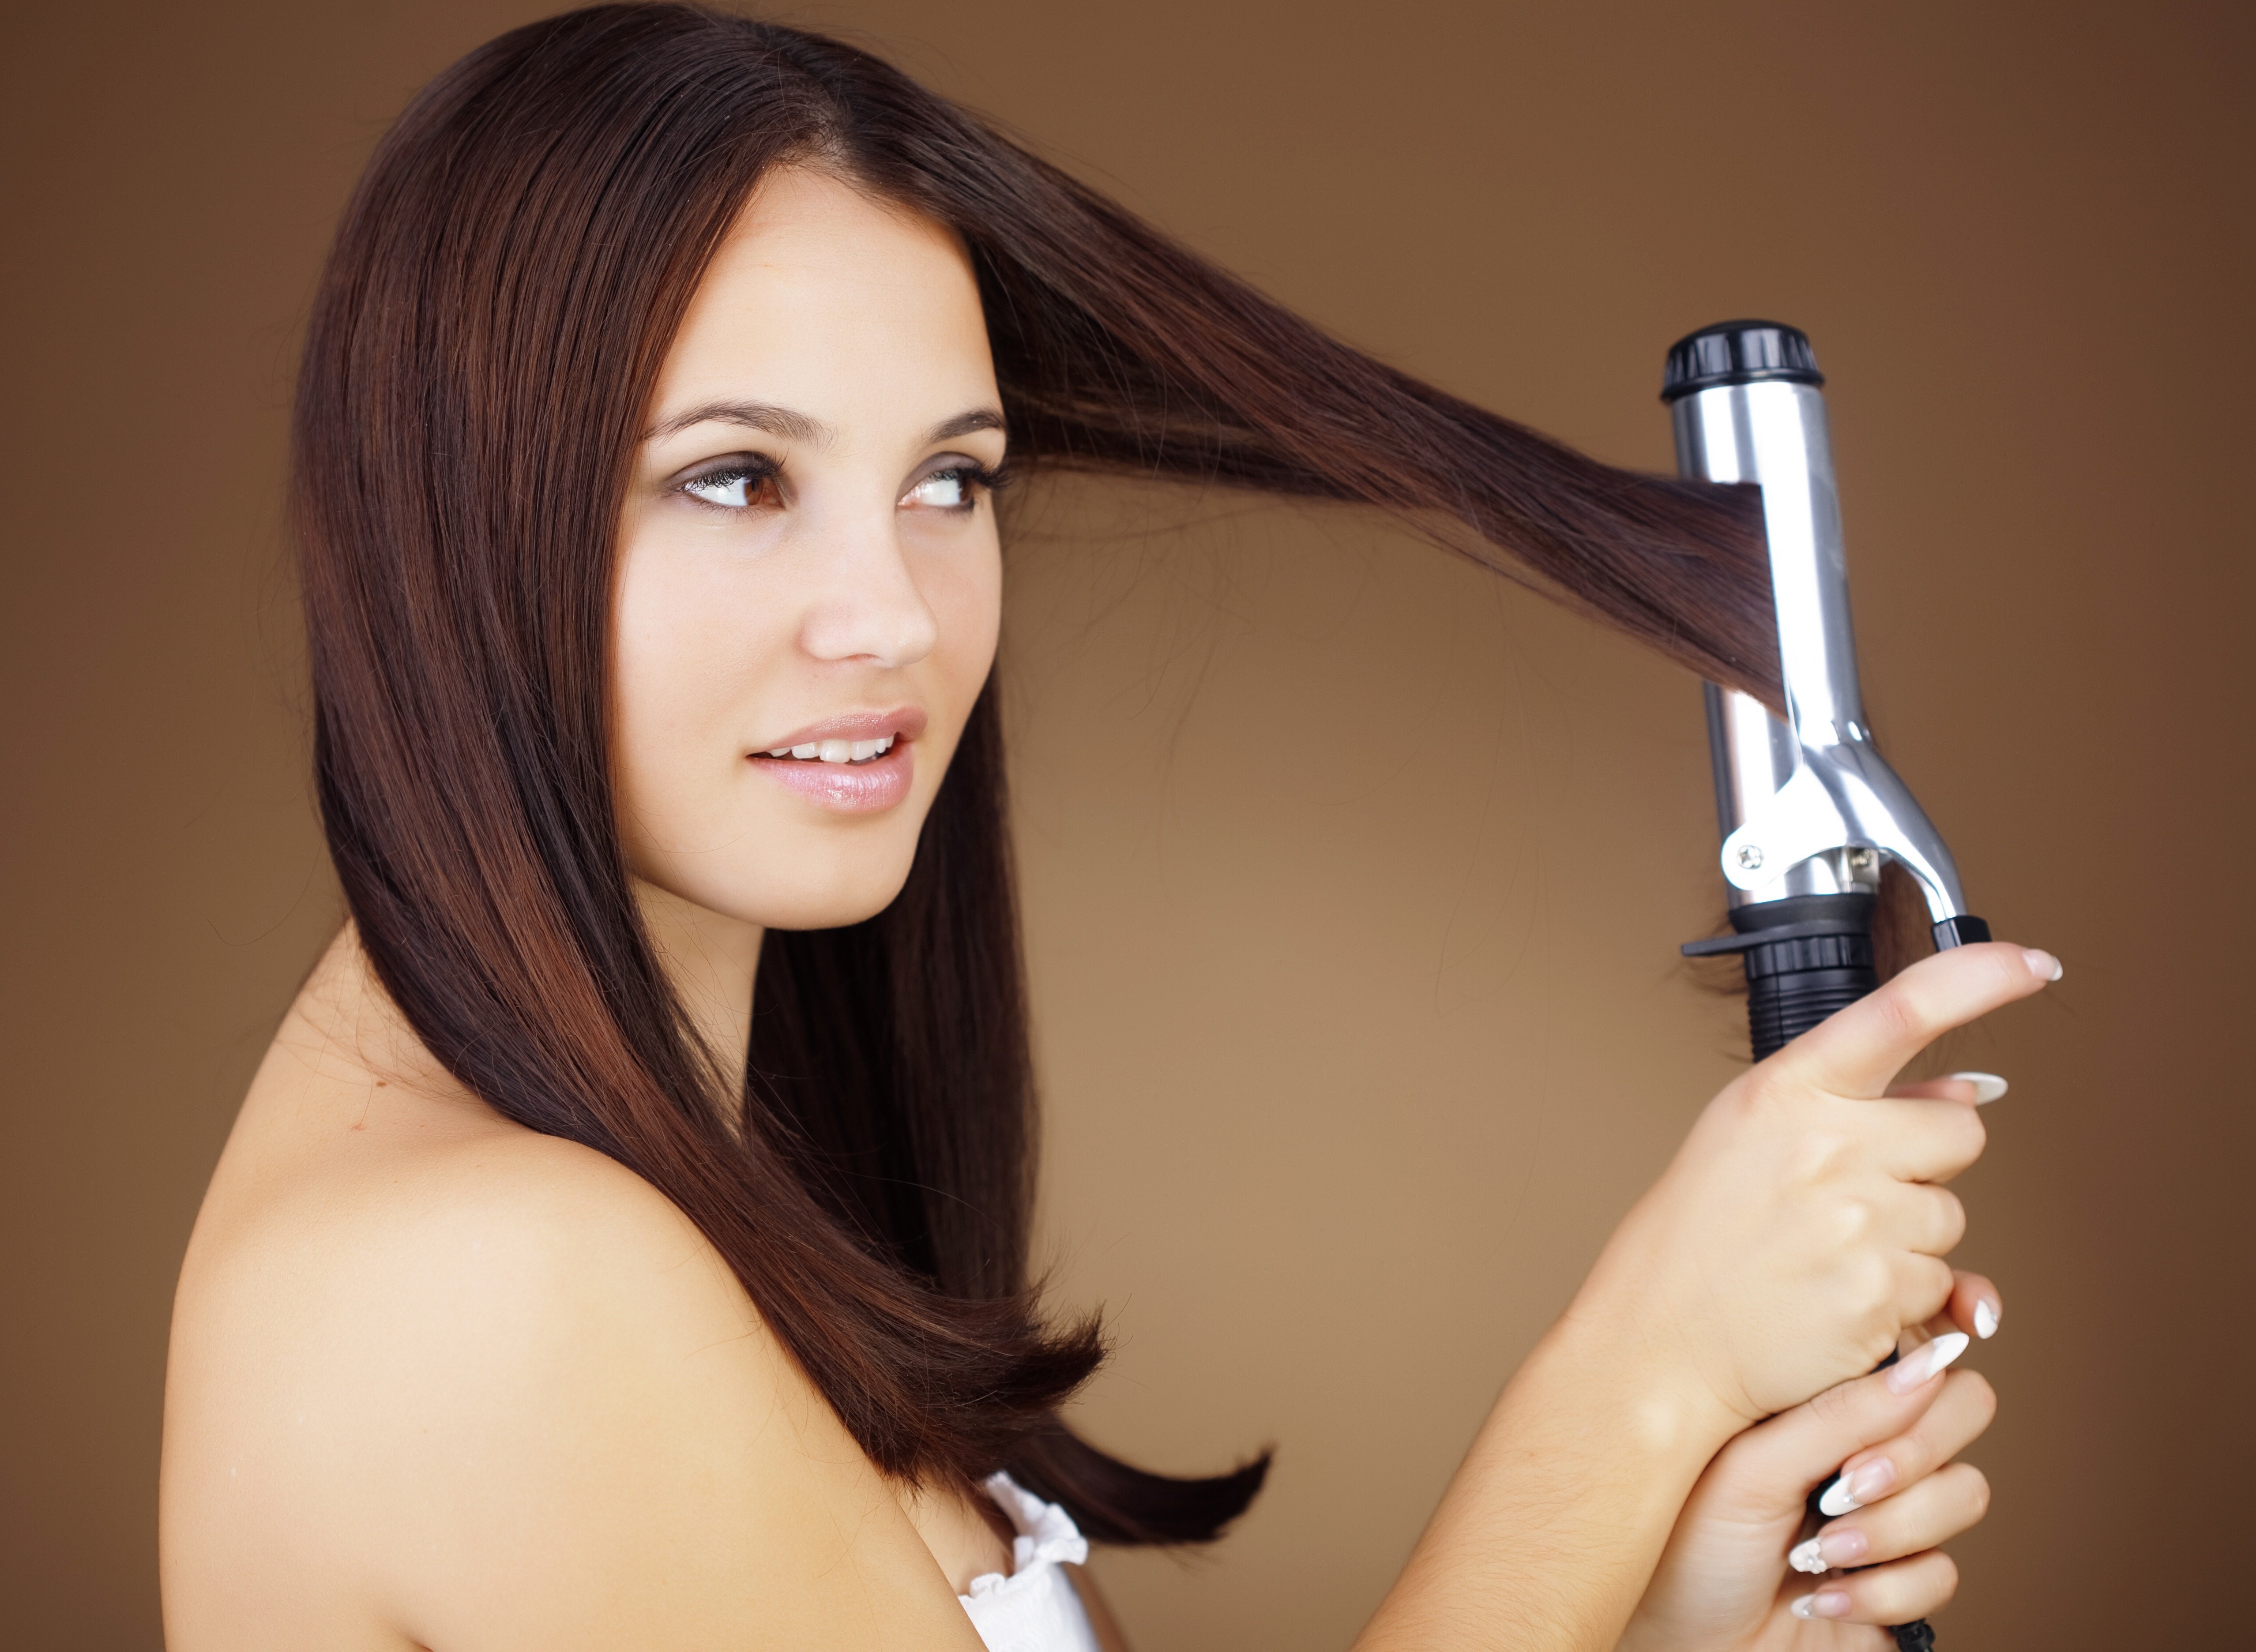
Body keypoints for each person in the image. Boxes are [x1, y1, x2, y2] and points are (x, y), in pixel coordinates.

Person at [160, 8, 2047, 1648]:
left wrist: (1659, 1613)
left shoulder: (665, 1193)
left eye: (950, 479)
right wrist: (1639, 1381)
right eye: (736, 478)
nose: (894, 618)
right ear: (452, 516)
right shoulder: (489, 1284)